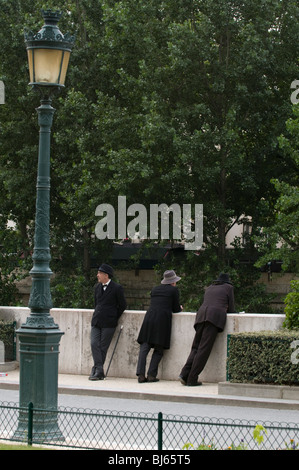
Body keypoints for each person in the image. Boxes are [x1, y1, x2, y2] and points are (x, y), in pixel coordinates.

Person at [179, 273, 235, 386]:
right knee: (204, 349)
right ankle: (192, 378)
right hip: (214, 318)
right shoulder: (229, 288)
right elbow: (231, 307)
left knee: (195, 347)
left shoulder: (209, 287)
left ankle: (184, 374)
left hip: (201, 315)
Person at [136, 270, 182, 383]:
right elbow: (176, 308)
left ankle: (141, 375)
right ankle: (151, 375)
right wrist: (180, 308)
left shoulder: (155, 289)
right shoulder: (174, 290)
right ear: (173, 282)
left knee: (144, 347)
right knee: (158, 348)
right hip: (162, 320)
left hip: (149, 318)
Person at [89, 263, 127, 380]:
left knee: (103, 347)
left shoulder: (117, 288)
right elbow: (96, 304)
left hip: (109, 322)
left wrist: (114, 316)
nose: (97, 275)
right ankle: (98, 369)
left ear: (106, 275)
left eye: (99, 273)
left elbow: (122, 305)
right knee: (94, 343)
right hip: (96, 321)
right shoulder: (97, 287)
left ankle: (96, 370)